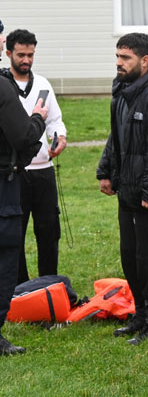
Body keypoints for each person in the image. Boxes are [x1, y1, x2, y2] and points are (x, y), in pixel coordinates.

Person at [96, 32, 148, 345]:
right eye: (118, 56)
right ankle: (141, 315)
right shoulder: (122, 91)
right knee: (130, 257)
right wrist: (105, 171)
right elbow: (115, 137)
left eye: (126, 58)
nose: (119, 63)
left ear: (145, 61)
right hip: (128, 190)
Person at [0, 29, 67, 285]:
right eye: (21, 54)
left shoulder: (43, 84)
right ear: (8, 53)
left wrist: (59, 138)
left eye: (30, 55)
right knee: (14, 233)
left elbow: (55, 121)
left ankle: (49, 284)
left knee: (49, 232)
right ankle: (19, 288)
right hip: (16, 173)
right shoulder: (5, 87)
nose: (26, 60)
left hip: (44, 170)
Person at [0, 21, 48, 355]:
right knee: (5, 261)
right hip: (4, 188)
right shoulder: (3, 87)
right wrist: (38, 119)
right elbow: (24, 138)